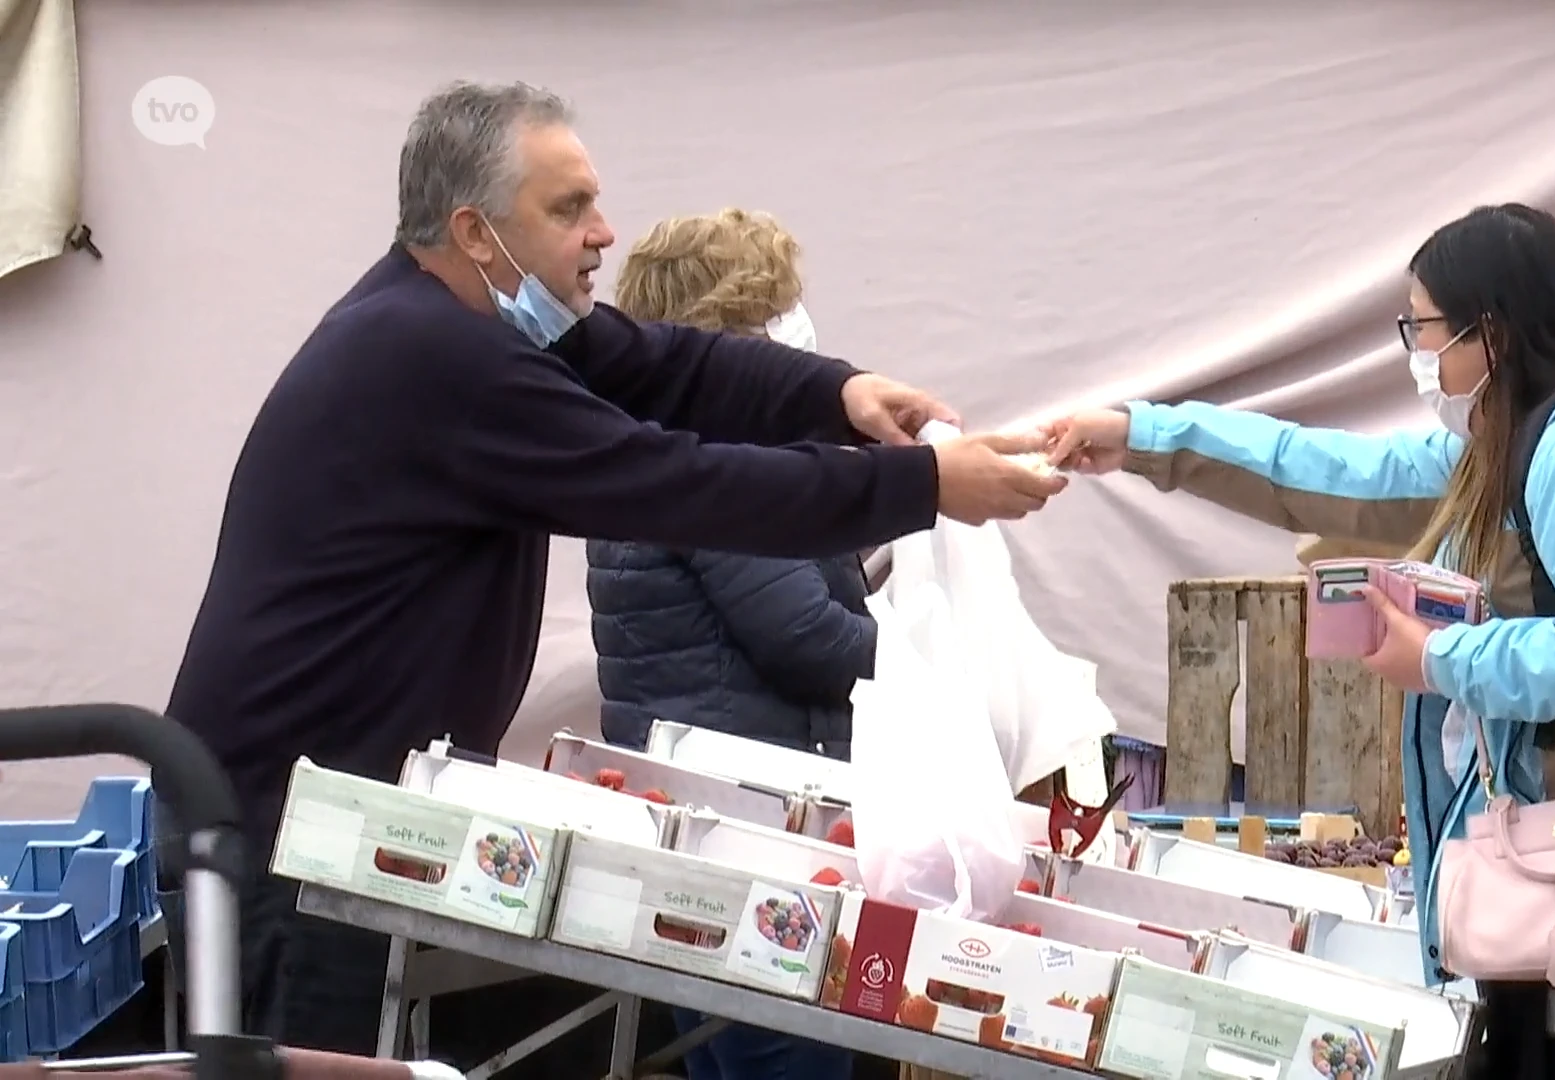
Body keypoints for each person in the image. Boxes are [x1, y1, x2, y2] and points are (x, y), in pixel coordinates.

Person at [160, 80, 1064, 1057]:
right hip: (279, 833)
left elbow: (675, 366)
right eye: (568, 208)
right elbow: (671, 479)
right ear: (474, 231)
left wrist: (840, 394)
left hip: (347, 817)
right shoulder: (434, 356)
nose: (604, 232)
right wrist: (919, 484)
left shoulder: (486, 328)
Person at [1042, 203, 1555, 1080]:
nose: (1419, 354)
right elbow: (1334, 474)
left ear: (1494, 329)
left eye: (1425, 328)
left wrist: (1440, 660)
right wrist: (1143, 437)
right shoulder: (1512, 444)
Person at [587, 208, 875, 1080]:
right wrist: (928, 662)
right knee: (783, 1048)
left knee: (723, 1047)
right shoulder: (723, 453)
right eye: (783, 306)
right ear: (738, 323)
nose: (799, 325)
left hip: (698, 823)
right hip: (758, 828)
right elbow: (803, 636)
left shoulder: (646, 443)